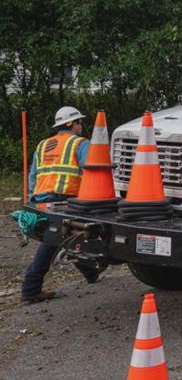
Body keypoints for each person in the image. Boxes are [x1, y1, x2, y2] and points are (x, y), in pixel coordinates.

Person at [21, 106, 100, 302]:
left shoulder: (43, 145)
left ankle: (91, 273)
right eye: (80, 122)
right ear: (71, 124)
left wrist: (33, 199)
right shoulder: (80, 144)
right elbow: (91, 172)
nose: (82, 126)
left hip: (41, 199)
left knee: (71, 237)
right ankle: (30, 288)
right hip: (65, 200)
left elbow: (33, 176)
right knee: (54, 242)